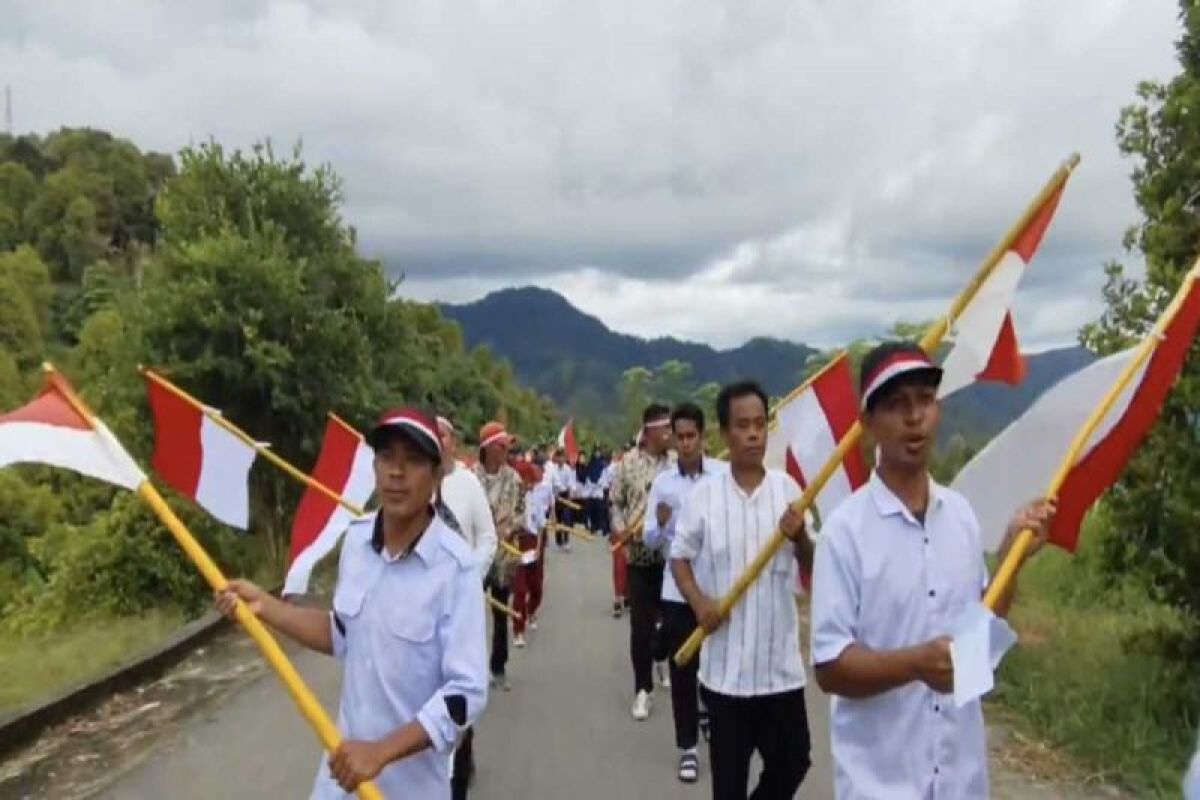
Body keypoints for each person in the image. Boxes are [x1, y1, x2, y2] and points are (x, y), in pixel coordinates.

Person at [810, 342, 1056, 799]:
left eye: (925, 400)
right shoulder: (844, 533)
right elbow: (830, 667)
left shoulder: (960, 516)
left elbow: (976, 644)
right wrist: (914, 663)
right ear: (867, 424)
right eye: (897, 405)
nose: (914, 417)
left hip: (962, 782)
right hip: (879, 787)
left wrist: (1010, 561)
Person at [215, 406, 488, 799]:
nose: (397, 472)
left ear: (436, 475)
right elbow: (344, 632)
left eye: (412, 460)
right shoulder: (358, 542)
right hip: (340, 779)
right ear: (375, 468)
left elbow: (465, 693)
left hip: (408, 789)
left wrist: (381, 752)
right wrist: (266, 607)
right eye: (387, 457)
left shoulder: (456, 570)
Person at [670, 382, 812, 799]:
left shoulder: (789, 493)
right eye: (742, 425)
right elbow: (679, 558)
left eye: (759, 424)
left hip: (779, 672)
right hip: (724, 677)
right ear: (725, 432)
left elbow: (811, 564)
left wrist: (801, 537)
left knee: (795, 761)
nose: (753, 434)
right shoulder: (704, 498)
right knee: (728, 786)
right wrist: (699, 602)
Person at [644, 402, 726, 784]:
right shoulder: (663, 484)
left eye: (693, 436)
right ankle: (687, 748)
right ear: (673, 439)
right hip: (677, 590)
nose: (687, 443)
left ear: (703, 437)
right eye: (681, 437)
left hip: (717, 590)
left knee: (717, 668)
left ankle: (712, 717)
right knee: (683, 670)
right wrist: (659, 524)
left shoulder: (722, 477)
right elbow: (649, 538)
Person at [611, 403, 675, 721]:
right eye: (666, 429)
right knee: (640, 625)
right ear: (649, 431)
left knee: (672, 623)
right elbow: (615, 503)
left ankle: (660, 653)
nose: (671, 434)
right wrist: (621, 528)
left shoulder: (677, 465)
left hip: (674, 558)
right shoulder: (628, 464)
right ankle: (643, 689)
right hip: (638, 556)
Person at [472, 421, 526, 679]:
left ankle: (498, 665)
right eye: (502, 445)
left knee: (501, 611)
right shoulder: (470, 478)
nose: (507, 450)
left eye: (508, 446)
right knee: (469, 614)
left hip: (504, 557)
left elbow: (522, 514)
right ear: (488, 448)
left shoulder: (514, 479)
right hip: (475, 558)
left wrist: (509, 528)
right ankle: (468, 667)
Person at [436, 416, 498, 576]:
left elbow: (487, 537)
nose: (436, 440)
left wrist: (472, 575)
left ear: (454, 442)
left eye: (441, 435)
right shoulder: (414, 482)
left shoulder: (469, 482)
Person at [513, 462, 552, 641]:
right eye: (526, 481)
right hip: (516, 543)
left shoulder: (536, 498)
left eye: (531, 481)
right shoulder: (512, 499)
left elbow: (542, 525)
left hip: (534, 543)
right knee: (520, 590)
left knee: (536, 587)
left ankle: (531, 610)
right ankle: (518, 630)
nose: (529, 484)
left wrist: (538, 548)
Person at [544, 448, 578, 550]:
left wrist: (571, 496)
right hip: (555, 496)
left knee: (566, 518)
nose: (561, 459)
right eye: (559, 457)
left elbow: (571, 484)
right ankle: (559, 541)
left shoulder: (568, 469)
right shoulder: (552, 468)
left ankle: (566, 540)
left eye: (563, 457)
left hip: (564, 495)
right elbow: (551, 482)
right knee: (558, 520)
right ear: (557, 458)